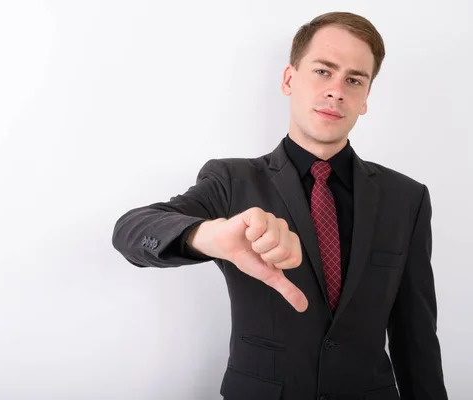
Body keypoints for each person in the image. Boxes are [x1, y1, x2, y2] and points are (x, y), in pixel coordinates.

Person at [112, 11, 447, 400]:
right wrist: (209, 235)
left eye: (354, 80)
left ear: (365, 98)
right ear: (290, 79)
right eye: (323, 71)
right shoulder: (231, 180)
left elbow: (416, 336)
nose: (337, 90)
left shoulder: (406, 198)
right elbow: (131, 230)